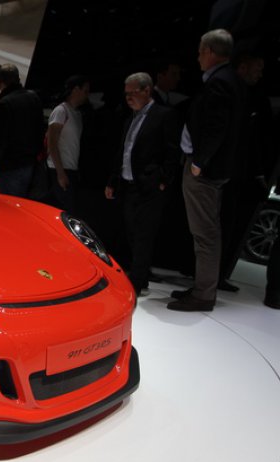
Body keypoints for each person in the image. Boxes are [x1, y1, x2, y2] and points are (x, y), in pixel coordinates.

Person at [168, 29, 246, 312]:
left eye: (201, 51)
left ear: (211, 52)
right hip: (210, 167)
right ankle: (202, 286)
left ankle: (203, 294)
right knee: (205, 231)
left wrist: (199, 162)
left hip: (205, 170)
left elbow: (216, 127)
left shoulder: (220, 82)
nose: (198, 57)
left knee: (206, 233)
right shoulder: (227, 79)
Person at [104, 72, 180, 297]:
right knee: (131, 232)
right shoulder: (131, 118)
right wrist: (113, 180)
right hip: (129, 184)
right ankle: (140, 276)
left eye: (133, 93)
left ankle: (136, 282)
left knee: (143, 235)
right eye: (126, 93)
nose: (128, 97)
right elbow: (123, 151)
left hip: (150, 186)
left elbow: (172, 151)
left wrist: (164, 180)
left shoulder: (164, 115)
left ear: (147, 91)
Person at [217, 52, 274, 292]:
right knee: (217, 226)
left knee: (227, 226)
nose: (260, 74)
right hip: (225, 172)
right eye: (257, 68)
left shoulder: (253, 98)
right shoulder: (234, 93)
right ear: (242, 67)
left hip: (238, 175)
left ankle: (215, 277)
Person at [0, 63, 43, 197]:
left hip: (10, 167)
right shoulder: (33, 97)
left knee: (8, 203)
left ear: (0, 81)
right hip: (30, 164)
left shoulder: (5, 104)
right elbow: (40, 129)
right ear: (18, 78)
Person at [46, 75, 90, 214]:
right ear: (76, 89)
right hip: (59, 168)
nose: (87, 95)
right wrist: (60, 173)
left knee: (67, 210)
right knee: (64, 211)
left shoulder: (77, 114)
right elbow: (52, 142)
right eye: (85, 91)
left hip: (70, 168)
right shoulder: (61, 111)